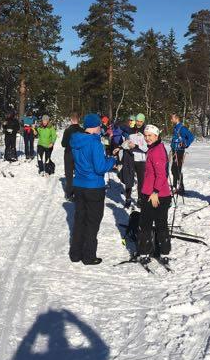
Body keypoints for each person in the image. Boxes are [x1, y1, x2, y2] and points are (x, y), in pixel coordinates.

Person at [69, 114, 117, 265]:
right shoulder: (95, 143)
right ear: (95, 126)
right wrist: (112, 161)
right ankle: (89, 256)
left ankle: (75, 254)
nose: (100, 129)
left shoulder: (76, 140)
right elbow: (100, 167)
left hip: (79, 185)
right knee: (92, 222)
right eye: (99, 127)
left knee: (79, 220)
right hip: (94, 187)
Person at [136, 125, 173, 265]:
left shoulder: (156, 151)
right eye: (145, 136)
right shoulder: (154, 148)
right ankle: (163, 251)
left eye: (150, 135)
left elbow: (161, 174)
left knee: (146, 223)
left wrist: (155, 192)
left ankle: (146, 252)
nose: (147, 138)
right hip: (155, 192)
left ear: (156, 136)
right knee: (160, 223)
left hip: (155, 194)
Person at [125, 113, 148, 205]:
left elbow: (146, 148)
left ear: (143, 121)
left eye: (141, 121)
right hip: (130, 158)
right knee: (128, 179)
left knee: (141, 181)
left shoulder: (146, 132)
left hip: (141, 160)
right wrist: (122, 146)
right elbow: (127, 143)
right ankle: (128, 198)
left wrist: (135, 146)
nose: (139, 123)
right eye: (137, 121)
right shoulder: (131, 130)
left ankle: (140, 199)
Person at [169, 113, 195, 194]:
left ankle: (180, 187)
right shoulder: (175, 127)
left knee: (177, 169)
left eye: (172, 118)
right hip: (174, 150)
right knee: (174, 169)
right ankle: (176, 186)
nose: (171, 120)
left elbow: (191, 137)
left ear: (176, 119)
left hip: (179, 151)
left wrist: (185, 144)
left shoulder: (182, 128)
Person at [61, 113, 83, 200]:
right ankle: (78, 192)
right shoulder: (82, 130)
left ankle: (69, 194)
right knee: (79, 173)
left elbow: (63, 144)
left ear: (71, 120)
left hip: (69, 153)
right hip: (79, 154)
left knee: (69, 174)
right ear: (78, 120)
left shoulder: (67, 130)